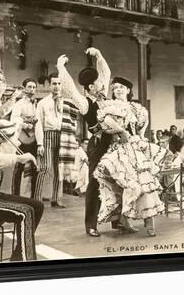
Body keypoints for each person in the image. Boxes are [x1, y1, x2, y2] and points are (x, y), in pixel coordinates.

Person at [94, 77, 168, 237]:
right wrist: (121, 131)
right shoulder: (110, 107)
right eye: (115, 88)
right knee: (129, 186)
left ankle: (149, 222)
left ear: (128, 90)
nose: (118, 90)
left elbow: (141, 130)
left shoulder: (136, 108)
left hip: (136, 149)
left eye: (122, 87)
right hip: (120, 149)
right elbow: (106, 124)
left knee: (146, 184)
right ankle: (125, 220)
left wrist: (141, 140)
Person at [54, 48, 115, 237]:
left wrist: (98, 55)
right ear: (89, 87)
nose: (101, 84)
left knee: (118, 180)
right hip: (97, 146)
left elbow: (106, 73)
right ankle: (91, 224)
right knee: (95, 184)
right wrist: (60, 67)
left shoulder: (103, 95)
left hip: (114, 143)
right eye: (96, 83)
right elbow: (70, 88)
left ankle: (118, 221)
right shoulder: (85, 103)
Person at [0, 129, 44, 261]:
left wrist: (15, 130)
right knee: (25, 212)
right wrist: (19, 158)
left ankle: (19, 257)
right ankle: (27, 262)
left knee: (37, 206)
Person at [34, 72, 79, 208]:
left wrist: (72, 138)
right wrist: (40, 143)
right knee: (45, 168)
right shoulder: (42, 102)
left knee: (59, 169)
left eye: (59, 83)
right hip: (47, 136)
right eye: (54, 83)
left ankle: (56, 199)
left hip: (63, 136)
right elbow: (38, 123)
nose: (57, 86)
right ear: (49, 85)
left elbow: (73, 121)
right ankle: (36, 199)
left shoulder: (67, 103)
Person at [10, 78, 38, 197]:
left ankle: (33, 196)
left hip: (34, 139)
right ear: (25, 88)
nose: (31, 89)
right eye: (29, 87)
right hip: (22, 139)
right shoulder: (19, 104)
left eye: (34, 87)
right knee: (19, 167)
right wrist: (26, 123)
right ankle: (15, 195)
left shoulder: (37, 104)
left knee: (34, 167)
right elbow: (14, 119)